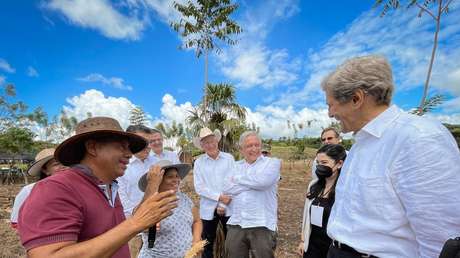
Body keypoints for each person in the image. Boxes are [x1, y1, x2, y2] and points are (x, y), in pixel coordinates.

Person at [321, 55, 460, 257]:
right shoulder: (361, 143)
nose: (330, 114)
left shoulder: (418, 138)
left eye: (331, 105)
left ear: (356, 99)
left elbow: (442, 239)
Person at [17, 117, 178, 258]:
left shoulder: (109, 187)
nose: (129, 154)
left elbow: (115, 233)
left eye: (129, 148)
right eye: (121, 146)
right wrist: (135, 223)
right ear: (92, 147)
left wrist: (150, 193)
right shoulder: (55, 189)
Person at [223, 131, 281, 258]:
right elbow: (226, 188)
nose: (254, 149)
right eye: (249, 146)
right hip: (237, 223)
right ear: (241, 149)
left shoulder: (272, 163)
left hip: (262, 223)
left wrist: (237, 179)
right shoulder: (235, 166)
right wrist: (254, 183)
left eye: (257, 145)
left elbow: (263, 182)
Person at [137, 160, 202, 258]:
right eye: (170, 177)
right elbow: (138, 225)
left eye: (177, 176)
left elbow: (197, 221)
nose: (176, 180)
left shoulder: (184, 198)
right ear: (159, 180)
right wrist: (147, 226)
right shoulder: (151, 202)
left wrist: (196, 241)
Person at [297, 144, 346, 258]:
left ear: (339, 164)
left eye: (324, 163)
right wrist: (303, 240)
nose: (319, 166)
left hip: (332, 247)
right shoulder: (313, 186)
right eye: (318, 163)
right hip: (313, 244)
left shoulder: (343, 189)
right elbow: (306, 216)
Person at [192, 127, 235, 258]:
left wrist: (222, 205)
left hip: (229, 206)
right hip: (207, 209)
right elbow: (199, 187)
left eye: (212, 141)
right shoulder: (199, 163)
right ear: (202, 145)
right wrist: (219, 198)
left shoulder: (229, 158)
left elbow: (233, 182)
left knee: (232, 242)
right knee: (207, 244)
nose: (210, 145)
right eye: (206, 143)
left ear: (217, 141)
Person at [118, 124, 158, 258]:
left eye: (149, 141)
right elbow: (121, 199)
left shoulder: (157, 162)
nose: (147, 145)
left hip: (158, 226)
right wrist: (140, 220)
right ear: (129, 141)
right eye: (143, 141)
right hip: (132, 231)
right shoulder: (120, 165)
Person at [10, 148, 66, 228]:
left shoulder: (78, 187)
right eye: (56, 164)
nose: (63, 166)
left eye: (65, 163)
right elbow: (16, 221)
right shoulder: (29, 190)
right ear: (45, 170)